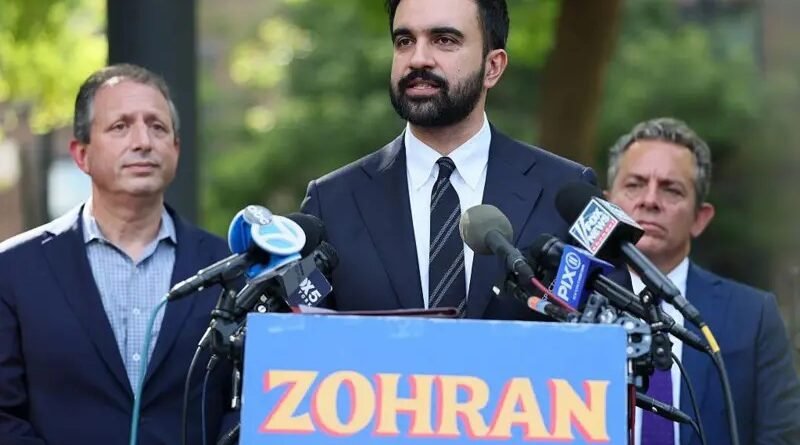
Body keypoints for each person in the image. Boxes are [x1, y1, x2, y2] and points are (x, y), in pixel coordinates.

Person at [300, 0, 596, 320]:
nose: (418, 59)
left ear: (492, 67)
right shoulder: (331, 203)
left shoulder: (566, 193)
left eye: (444, 40)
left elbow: (610, 330)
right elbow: (295, 332)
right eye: (405, 41)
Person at [0, 64, 237, 445]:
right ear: (81, 154)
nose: (143, 141)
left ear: (176, 149)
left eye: (157, 127)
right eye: (120, 126)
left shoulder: (230, 268)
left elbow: (248, 403)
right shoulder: (13, 270)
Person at [605, 117, 800, 445]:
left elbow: (782, 435)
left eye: (671, 189)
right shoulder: (567, 303)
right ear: (607, 202)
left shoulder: (752, 316)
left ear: (700, 218)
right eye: (635, 184)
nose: (650, 200)